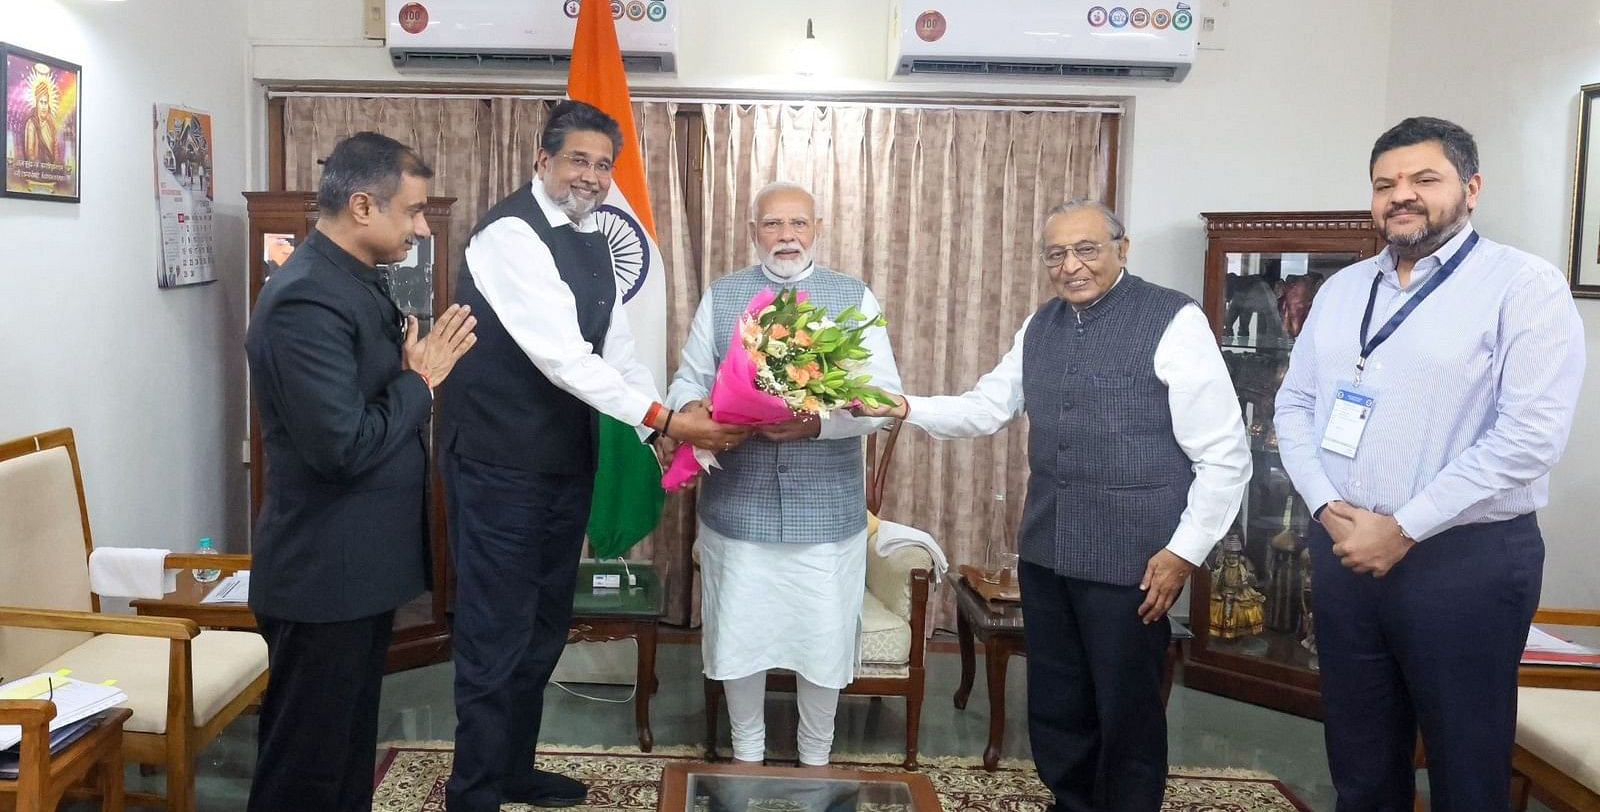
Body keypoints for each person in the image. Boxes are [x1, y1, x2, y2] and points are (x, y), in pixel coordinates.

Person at [858, 200, 1250, 811]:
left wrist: (1183, 553)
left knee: (1126, 713)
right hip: (1048, 551)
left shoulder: (1172, 320)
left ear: (1123, 248)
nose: (1071, 266)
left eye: (1087, 249)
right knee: (1058, 706)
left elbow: (1225, 454)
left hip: (1136, 562)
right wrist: (903, 405)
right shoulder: (1040, 326)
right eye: (1056, 254)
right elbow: (986, 408)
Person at [439, 100, 748, 812]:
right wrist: (669, 418)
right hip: (497, 466)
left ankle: (513, 770)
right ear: (542, 161)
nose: (592, 175)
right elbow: (561, 358)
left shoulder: (588, 238)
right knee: (495, 633)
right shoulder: (509, 235)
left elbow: (617, 352)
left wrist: (659, 429)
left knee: (544, 628)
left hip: (560, 465)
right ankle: (474, 792)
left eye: (603, 164)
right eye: (578, 159)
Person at [1274, 116, 1585, 811]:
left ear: (1471, 188)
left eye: (1423, 179)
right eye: (1385, 184)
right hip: (1346, 551)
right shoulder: (1346, 289)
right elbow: (1293, 408)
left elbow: (1529, 438)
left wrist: (1405, 526)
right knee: (1360, 760)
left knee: (1466, 769)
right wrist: (1328, 509)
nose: (1400, 196)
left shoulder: (1523, 286)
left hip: (1464, 563)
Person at [244, 132, 478, 812]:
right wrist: (422, 382)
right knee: (305, 771)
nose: (421, 226)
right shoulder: (305, 300)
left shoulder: (352, 281)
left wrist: (407, 376)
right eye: (412, 211)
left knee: (344, 756)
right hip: (325, 573)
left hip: (356, 572)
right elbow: (340, 447)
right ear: (362, 205)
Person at [664, 181, 904, 766]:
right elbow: (688, 380)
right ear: (754, 232)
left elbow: (885, 399)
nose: (787, 236)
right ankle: (746, 752)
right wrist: (695, 415)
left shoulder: (852, 297)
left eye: (798, 224)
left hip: (826, 515)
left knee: (821, 641)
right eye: (773, 225)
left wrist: (817, 426)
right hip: (737, 510)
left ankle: (816, 758)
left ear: (817, 228)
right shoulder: (724, 297)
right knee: (740, 638)